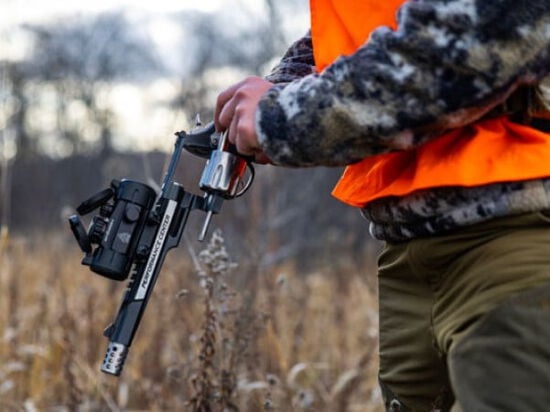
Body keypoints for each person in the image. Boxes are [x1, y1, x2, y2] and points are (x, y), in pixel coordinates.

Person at [214, 0, 550, 411]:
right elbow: (377, 21)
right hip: (411, 254)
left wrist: (282, 117)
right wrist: (282, 86)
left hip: (521, 238)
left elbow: (480, 35)